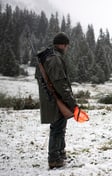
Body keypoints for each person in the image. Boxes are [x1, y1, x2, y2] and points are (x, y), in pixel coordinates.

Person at [35, 32, 77, 169]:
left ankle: (60, 153)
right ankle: (54, 159)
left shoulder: (48, 57)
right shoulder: (54, 59)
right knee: (57, 128)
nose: (67, 49)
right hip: (55, 99)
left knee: (59, 127)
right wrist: (71, 102)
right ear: (63, 45)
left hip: (52, 98)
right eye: (67, 46)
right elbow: (61, 83)